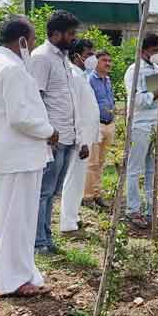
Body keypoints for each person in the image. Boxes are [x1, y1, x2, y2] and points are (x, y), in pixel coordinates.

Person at [0, 17, 57, 296]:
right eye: (33, 39)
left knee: (4, 217)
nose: (34, 45)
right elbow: (20, 117)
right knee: (17, 219)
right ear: (23, 41)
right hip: (18, 157)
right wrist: (50, 131)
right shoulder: (11, 69)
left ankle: (2, 272)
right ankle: (12, 279)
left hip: (7, 156)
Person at [27, 10, 80, 255]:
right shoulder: (41, 58)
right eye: (70, 34)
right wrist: (47, 133)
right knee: (43, 192)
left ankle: (46, 237)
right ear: (56, 34)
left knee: (53, 192)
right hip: (53, 137)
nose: (73, 38)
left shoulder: (63, 59)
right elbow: (35, 97)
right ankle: (38, 242)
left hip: (68, 136)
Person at [59, 40, 99, 234]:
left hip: (85, 138)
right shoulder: (73, 76)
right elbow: (76, 111)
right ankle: (67, 223)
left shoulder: (82, 75)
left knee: (78, 180)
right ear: (77, 55)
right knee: (73, 180)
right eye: (89, 53)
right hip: (79, 140)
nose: (92, 57)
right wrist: (82, 141)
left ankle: (73, 217)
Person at [124, 33, 158, 229]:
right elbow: (137, 100)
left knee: (151, 169)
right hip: (140, 125)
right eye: (155, 50)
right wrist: (157, 93)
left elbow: (155, 100)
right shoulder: (134, 71)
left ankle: (150, 207)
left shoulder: (155, 69)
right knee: (134, 168)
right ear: (144, 50)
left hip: (154, 123)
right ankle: (133, 208)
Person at [84, 50, 116, 209]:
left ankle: (97, 193)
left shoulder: (107, 80)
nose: (108, 63)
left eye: (110, 60)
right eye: (104, 60)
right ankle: (88, 196)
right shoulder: (90, 79)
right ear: (96, 62)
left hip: (108, 123)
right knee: (92, 162)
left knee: (101, 162)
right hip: (96, 125)